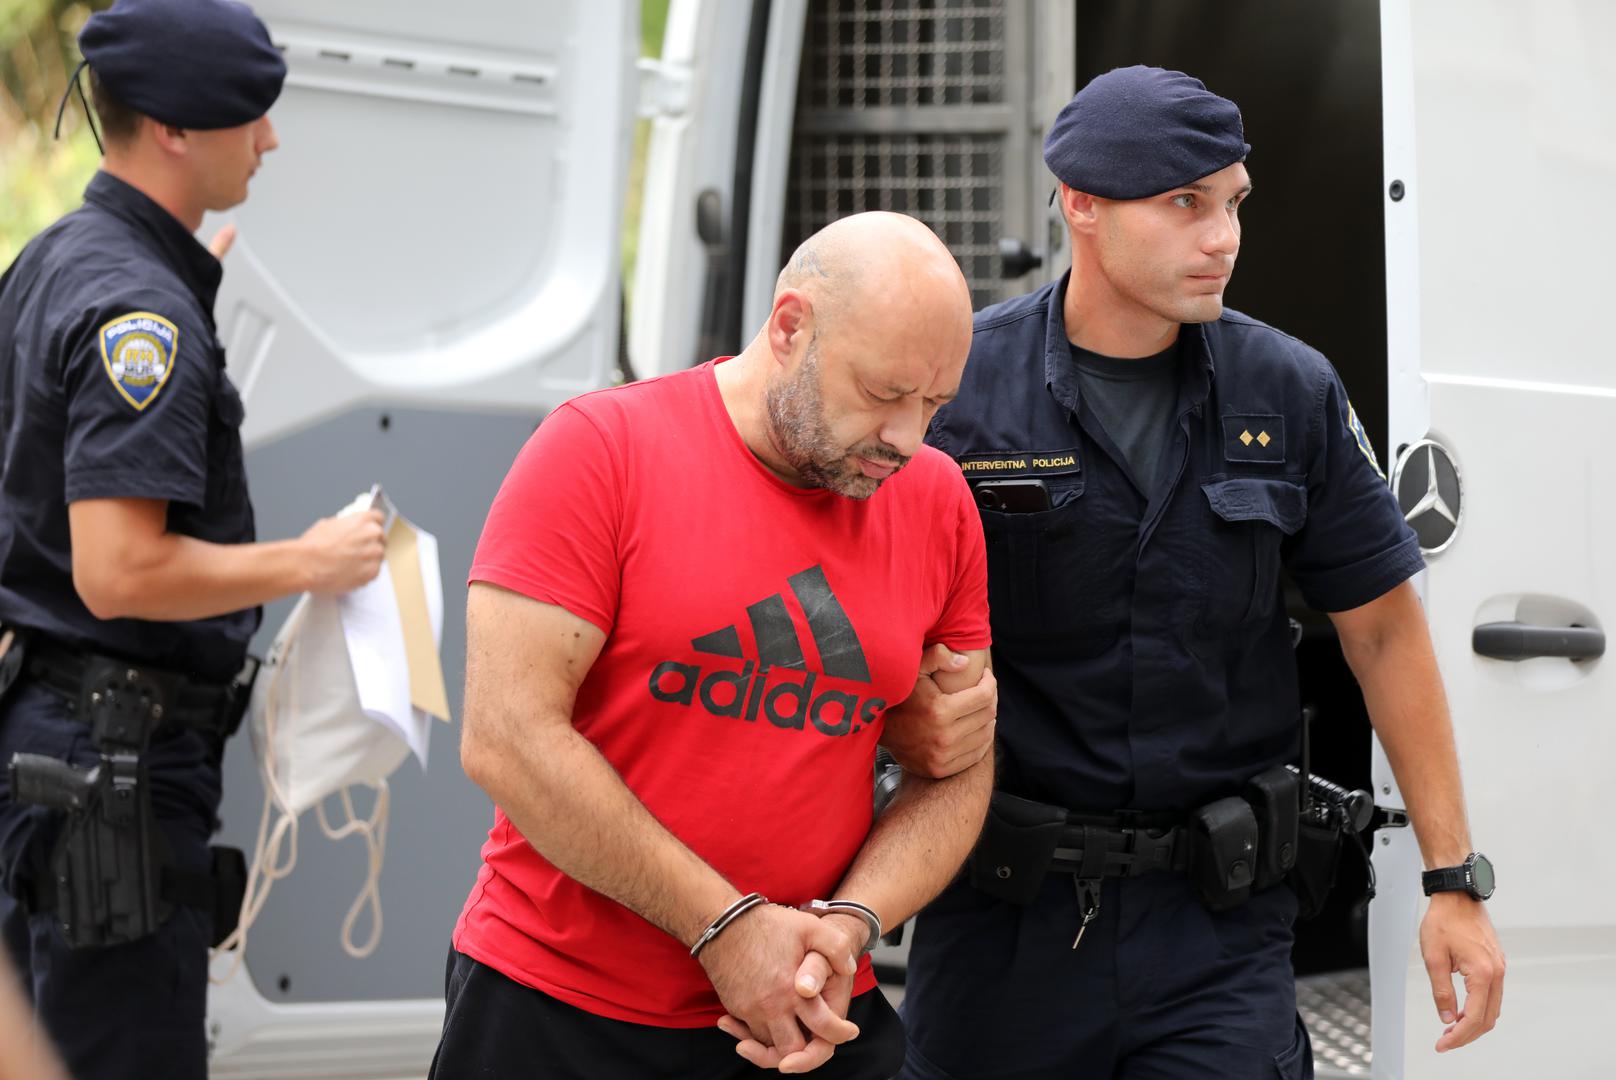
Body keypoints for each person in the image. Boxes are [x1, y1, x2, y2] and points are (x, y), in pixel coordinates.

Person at [897, 66, 1506, 1079]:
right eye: (1185, 203)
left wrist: (1452, 878)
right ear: (1081, 206)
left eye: (1232, 202)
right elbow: (858, 617)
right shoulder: (961, 392)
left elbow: (1382, 631)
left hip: (1216, 936)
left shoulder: (1289, 390)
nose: (1223, 236)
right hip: (1001, 926)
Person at [432, 211, 994, 1079]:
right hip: (560, 1004)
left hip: (806, 1011)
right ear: (790, 326)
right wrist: (725, 930)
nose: (907, 437)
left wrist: (851, 925)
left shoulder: (937, 500)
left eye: (935, 404)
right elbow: (507, 736)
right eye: (886, 393)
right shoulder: (600, 450)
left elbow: (959, 766)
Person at [0, 2, 386, 1076]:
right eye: (248, 112)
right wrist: (313, 562)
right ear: (172, 127)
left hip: (55, 742)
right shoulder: (142, 310)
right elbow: (116, 570)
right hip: (112, 767)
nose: (269, 138)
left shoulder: (61, 259)